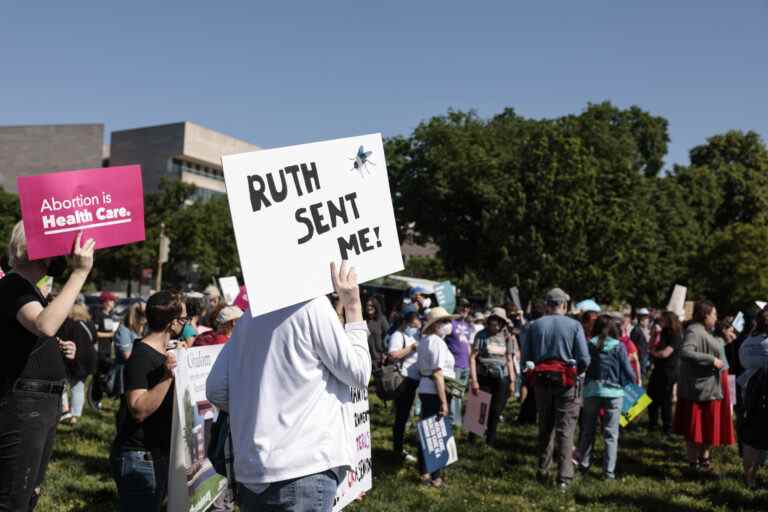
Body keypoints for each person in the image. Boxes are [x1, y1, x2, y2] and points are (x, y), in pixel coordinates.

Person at [206, 262, 372, 511]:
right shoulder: (311, 305)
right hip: (303, 469)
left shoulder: (248, 317)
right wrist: (353, 306)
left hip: (253, 473)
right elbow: (359, 372)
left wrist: (257, 405)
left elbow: (216, 389)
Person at [0, 223, 94, 510]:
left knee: (28, 493)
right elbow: (45, 324)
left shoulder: (27, 288)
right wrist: (80, 272)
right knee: (14, 497)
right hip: (25, 405)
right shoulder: (14, 284)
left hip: (38, 404)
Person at [110, 291, 186, 511]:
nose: (186, 325)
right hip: (139, 456)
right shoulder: (142, 356)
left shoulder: (165, 353)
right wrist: (167, 377)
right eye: (184, 320)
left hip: (156, 453)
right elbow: (138, 408)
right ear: (173, 324)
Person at [519, 288, 590, 490]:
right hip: (567, 382)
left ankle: (543, 468)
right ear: (564, 305)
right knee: (566, 429)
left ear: (546, 304)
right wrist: (576, 373)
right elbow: (584, 358)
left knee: (545, 426)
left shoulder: (534, 326)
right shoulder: (574, 325)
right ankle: (563, 477)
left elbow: (526, 359)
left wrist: (529, 378)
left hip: (541, 382)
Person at [674, 300, 735, 473]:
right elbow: (686, 351)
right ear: (705, 315)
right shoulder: (694, 330)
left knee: (707, 427)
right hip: (699, 389)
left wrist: (722, 342)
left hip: (709, 387)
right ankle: (694, 464)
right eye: (714, 314)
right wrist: (711, 360)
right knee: (695, 429)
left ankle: (704, 459)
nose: (716, 318)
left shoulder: (704, 331)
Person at [576, 315, 636, 480]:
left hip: (591, 392)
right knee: (611, 434)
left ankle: (583, 466)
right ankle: (608, 472)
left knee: (587, 431)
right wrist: (632, 383)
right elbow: (628, 373)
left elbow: (582, 366)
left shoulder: (589, 344)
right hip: (614, 394)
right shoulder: (619, 346)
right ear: (614, 329)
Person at [416, 306, 457, 488]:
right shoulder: (437, 343)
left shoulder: (425, 341)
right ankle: (436, 477)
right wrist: (443, 402)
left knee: (426, 430)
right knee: (436, 434)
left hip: (425, 389)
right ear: (435, 325)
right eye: (444, 321)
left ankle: (424, 471)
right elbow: (438, 373)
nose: (448, 325)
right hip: (435, 390)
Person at [469, 307, 517, 446]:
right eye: (491, 323)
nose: (493, 326)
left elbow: (509, 359)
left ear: (502, 323)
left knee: (496, 410)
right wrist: (474, 380)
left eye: (497, 323)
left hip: (502, 378)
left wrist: (512, 381)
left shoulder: (507, 337)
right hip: (483, 375)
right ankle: (472, 439)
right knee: (478, 408)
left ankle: (490, 440)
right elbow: (472, 358)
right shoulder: (481, 335)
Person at [737, 309, 768, 488]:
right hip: (764, 394)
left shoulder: (747, 341)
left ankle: (749, 479)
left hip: (749, 393)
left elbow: (742, 363)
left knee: (751, 440)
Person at [387, 310, 421, 462]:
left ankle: (399, 447)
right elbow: (393, 355)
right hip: (403, 381)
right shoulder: (397, 335)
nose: (415, 325)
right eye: (413, 323)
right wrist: (411, 348)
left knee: (406, 415)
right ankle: (398, 449)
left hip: (412, 381)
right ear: (404, 322)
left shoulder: (410, 336)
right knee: (401, 417)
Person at [60, 304, 98, 426]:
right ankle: (74, 416)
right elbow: (95, 339)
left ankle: (65, 410)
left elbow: (63, 340)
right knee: (79, 387)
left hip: (74, 358)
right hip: (89, 359)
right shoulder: (90, 324)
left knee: (62, 384)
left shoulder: (69, 324)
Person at [647, 311, 683, 433]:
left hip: (669, 371)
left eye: (662, 319)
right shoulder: (662, 332)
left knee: (665, 400)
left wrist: (653, 353)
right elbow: (650, 345)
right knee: (651, 396)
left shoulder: (676, 335)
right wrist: (654, 334)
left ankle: (667, 427)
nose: (660, 322)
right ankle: (653, 423)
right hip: (658, 369)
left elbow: (665, 353)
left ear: (669, 320)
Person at [444, 298, 474, 427]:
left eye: (467, 306)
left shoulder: (468, 326)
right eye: (462, 306)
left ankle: (456, 421)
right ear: (457, 307)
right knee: (453, 394)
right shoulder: (450, 324)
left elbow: (469, 346)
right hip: (454, 365)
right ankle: (454, 422)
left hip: (465, 365)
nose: (465, 309)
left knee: (460, 394)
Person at [91, 290, 118, 409]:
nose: (113, 303)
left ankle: (100, 398)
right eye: (111, 300)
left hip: (107, 351)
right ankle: (94, 400)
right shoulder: (98, 314)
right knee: (97, 377)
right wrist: (111, 335)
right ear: (105, 302)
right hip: (98, 350)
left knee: (105, 376)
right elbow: (94, 333)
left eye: (113, 301)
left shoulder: (110, 316)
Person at [113, 302, 146, 396]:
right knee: (126, 404)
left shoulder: (136, 330)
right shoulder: (123, 331)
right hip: (125, 373)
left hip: (135, 371)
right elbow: (128, 355)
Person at [365, 296, 389, 368]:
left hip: (378, 357)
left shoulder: (381, 319)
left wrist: (385, 353)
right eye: (367, 305)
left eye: (371, 305)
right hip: (365, 356)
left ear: (376, 307)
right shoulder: (363, 319)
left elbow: (388, 336)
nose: (369, 307)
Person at [631, 308, 652, 375]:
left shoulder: (646, 329)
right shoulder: (636, 330)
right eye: (646, 318)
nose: (647, 320)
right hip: (639, 357)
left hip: (644, 356)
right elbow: (632, 344)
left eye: (647, 318)